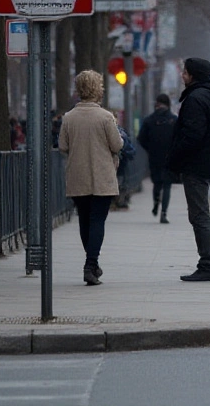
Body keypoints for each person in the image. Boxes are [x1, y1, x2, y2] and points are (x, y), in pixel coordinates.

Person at [57, 70, 123, 286]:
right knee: (97, 220)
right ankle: (90, 264)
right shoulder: (105, 117)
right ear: (98, 89)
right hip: (101, 175)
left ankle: (92, 264)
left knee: (84, 220)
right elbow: (117, 145)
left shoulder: (69, 118)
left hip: (78, 175)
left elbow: (63, 146)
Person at [166, 58, 210, 283]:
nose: (182, 75)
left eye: (185, 72)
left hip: (196, 166)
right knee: (200, 215)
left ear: (193, 75)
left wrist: (173, 158)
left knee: (200, 215)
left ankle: (207, 266)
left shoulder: (195, 100)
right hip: (206, 165)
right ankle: (206, 264)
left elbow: (192, 136)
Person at [139, 94, 178, 224]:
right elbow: (179, 139)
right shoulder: (173, 120)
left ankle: (156, 202)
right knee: (167, 185)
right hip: (169, 158)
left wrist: (150, 148)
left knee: (157, 183)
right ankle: (164, 213)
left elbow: (141, 138)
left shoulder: (149, 120)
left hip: (154, 156)